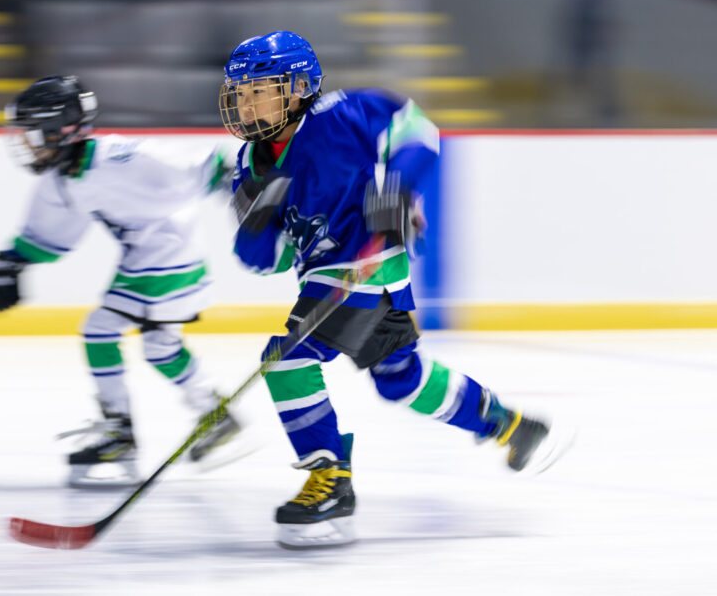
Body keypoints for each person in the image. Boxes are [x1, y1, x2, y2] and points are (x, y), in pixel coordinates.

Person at [219, 31, 565, 548]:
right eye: (240, 94)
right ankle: (507, 423)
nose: (246, 104)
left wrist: (397, 186)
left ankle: (329, 480)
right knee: (400, 379)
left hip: (367, 268)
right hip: (331, 279)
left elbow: (418, 132)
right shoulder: (249, 167)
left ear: (297, 87)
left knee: (286, 358)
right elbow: (268, 262)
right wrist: (255, 225)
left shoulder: (341, 116)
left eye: (258, 90)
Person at [0, 74, 242, 486]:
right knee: (157, 347)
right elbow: (50, 236)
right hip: (148, 262)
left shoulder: (121, 157)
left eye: (32, 134)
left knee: (103, 331)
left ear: (60, 130)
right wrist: (12, 263)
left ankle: (124, 431)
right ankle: (213, 414)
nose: (26, 144)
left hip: (171, 260)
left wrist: (246, 189)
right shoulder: (63, 181)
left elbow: (205, 166)